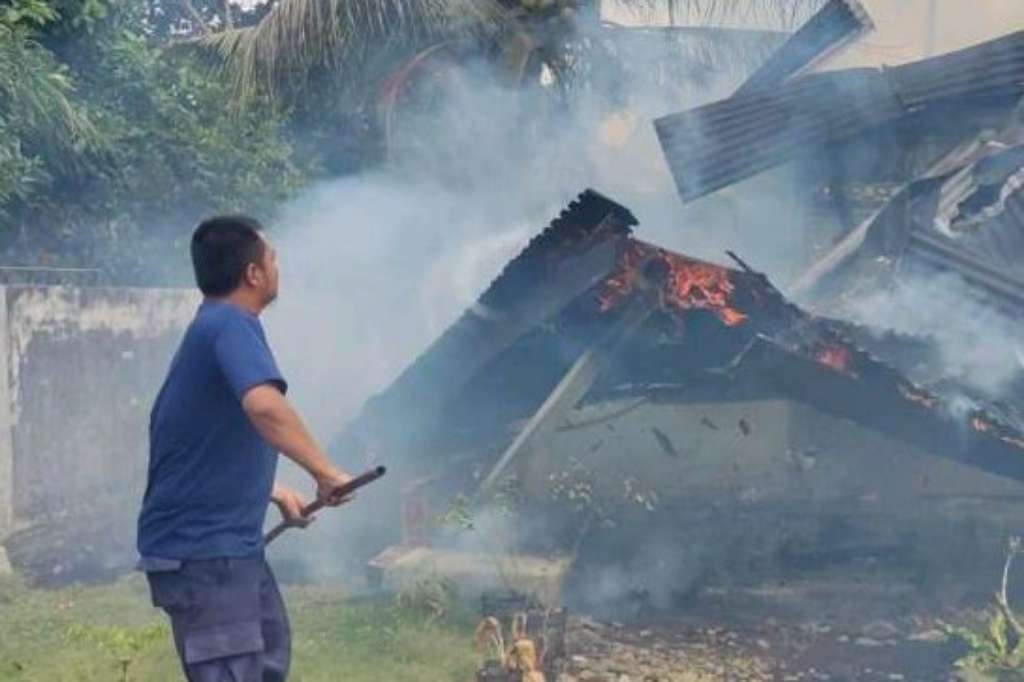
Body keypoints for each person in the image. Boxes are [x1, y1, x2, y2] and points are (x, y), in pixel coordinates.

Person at [136, 215, 353, 681]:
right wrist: (325, 472)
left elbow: (199, 439)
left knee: (267, 659)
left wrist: (272, 490)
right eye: (272, 258)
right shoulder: (230, 325)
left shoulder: (213, 328)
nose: (278, 267)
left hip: (226, 549)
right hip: (205, 554)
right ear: (254, 273)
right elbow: (265, 407)